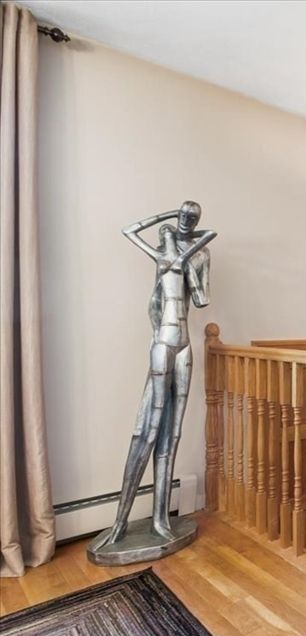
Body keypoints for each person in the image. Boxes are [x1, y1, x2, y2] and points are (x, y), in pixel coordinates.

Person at [89, 201, 216, 558]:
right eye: (183, 217)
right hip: (163, 342)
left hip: (186, 346)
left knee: (171, 435)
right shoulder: (160, 254)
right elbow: (130, 230)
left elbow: (204, 299)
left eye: (193, 218)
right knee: (148, 428)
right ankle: (120, 522)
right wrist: (165, 218)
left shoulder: (201, 253)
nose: (188, 221)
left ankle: (161, 518)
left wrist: (189, 266)